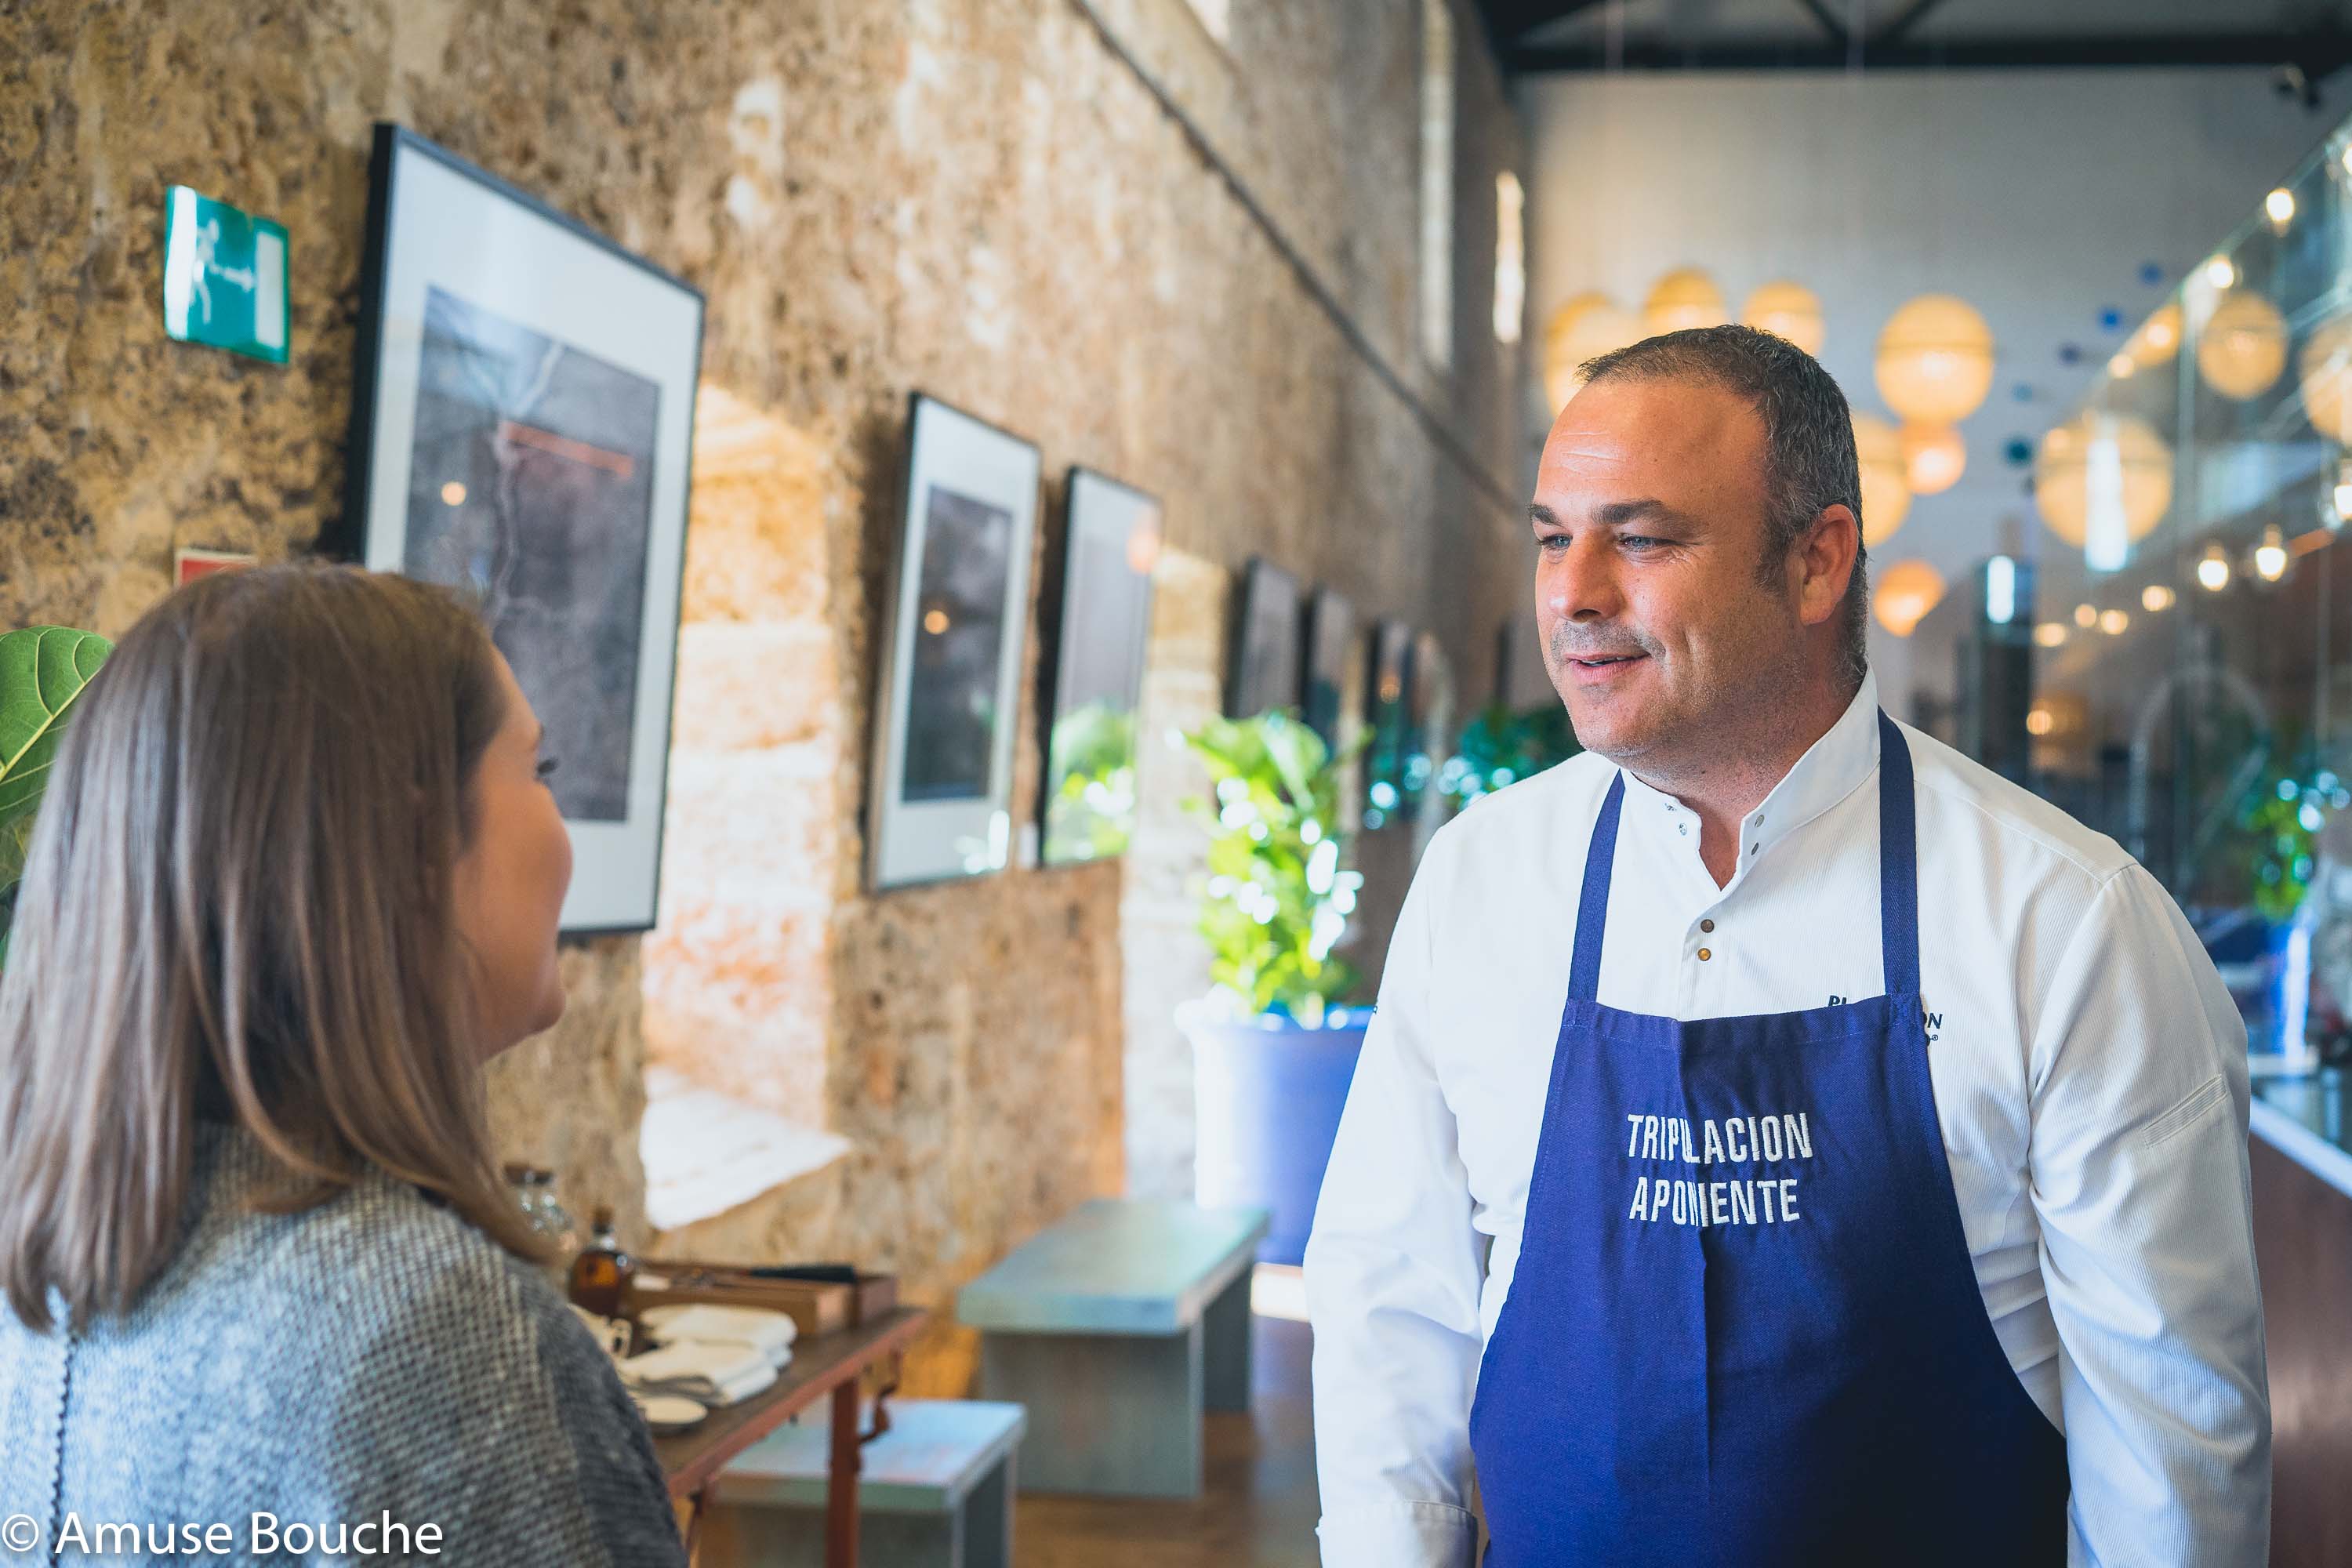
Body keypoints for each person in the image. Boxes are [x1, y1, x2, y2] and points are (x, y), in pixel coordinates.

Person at [1305, 325, 2270, 1566]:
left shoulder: (2068, 926)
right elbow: (1392, 1310)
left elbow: (2175, 1470)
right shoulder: (1482, 885)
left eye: (1640, 538)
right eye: (1554, 537)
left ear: (1818, 563)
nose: (1572, 593)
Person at [0, 566, 686, 1566]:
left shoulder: (49, 1285)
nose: (562, 834)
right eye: (537, 771)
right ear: (413, 844)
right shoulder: (439, 1340)